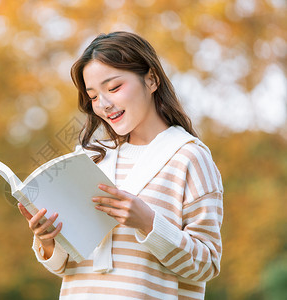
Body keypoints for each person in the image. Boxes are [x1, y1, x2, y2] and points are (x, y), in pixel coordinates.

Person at [18, 31, 223, 300]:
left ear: (151, 79)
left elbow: (206, 264)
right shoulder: (90, 157)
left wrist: (148, 223)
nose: (103, 104)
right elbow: (70, 268)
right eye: (92, 96)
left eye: (114, 88)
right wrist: (48, 240)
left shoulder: (189, 158)